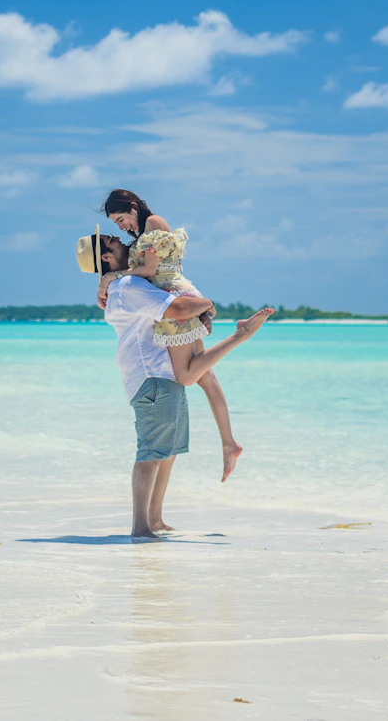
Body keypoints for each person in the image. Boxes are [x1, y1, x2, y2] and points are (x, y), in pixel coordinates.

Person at [76, 227, 272, 540]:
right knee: (151, 452)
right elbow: (178, 308)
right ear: (106, 256)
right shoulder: (127, 286)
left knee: (167, 452)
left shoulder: (123, 283)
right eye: (112, 240)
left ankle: (154, 520)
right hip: (151, 376)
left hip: (162, 374)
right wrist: (206, 304)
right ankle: (141, 527)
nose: (120, 239)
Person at [98, 188, 244, 482]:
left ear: (132, 206)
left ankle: (241, 335)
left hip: (175, 297)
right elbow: (147, 269)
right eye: (115, 224)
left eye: (120, 218)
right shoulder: (144, 231)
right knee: (205, 375)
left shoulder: (153, 223)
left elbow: (150, 268)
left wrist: (112, 275)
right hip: (177, 294)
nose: (121, 227)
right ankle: (229, 443)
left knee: (188, 375)